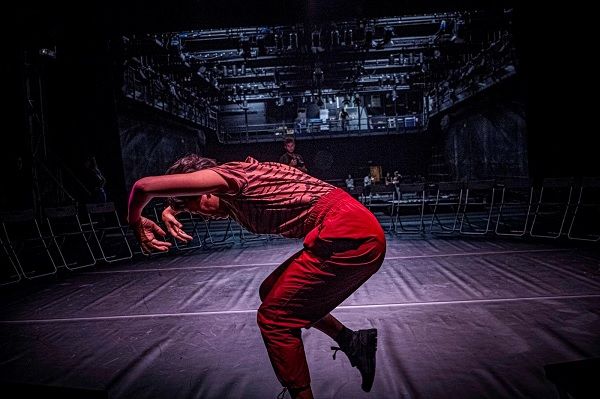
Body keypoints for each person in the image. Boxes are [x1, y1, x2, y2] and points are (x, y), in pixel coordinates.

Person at [127, 154, 386, 399]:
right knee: (270, 291)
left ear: (205, 189)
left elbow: (143, 187)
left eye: (196, 209)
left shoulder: (231, 177)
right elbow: (212, 203)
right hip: (351, 227)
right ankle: (352, 341)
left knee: (274, 319)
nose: (203, 216)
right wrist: (171, 209)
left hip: (349, 232)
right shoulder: (233, 191)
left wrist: (136, 221)